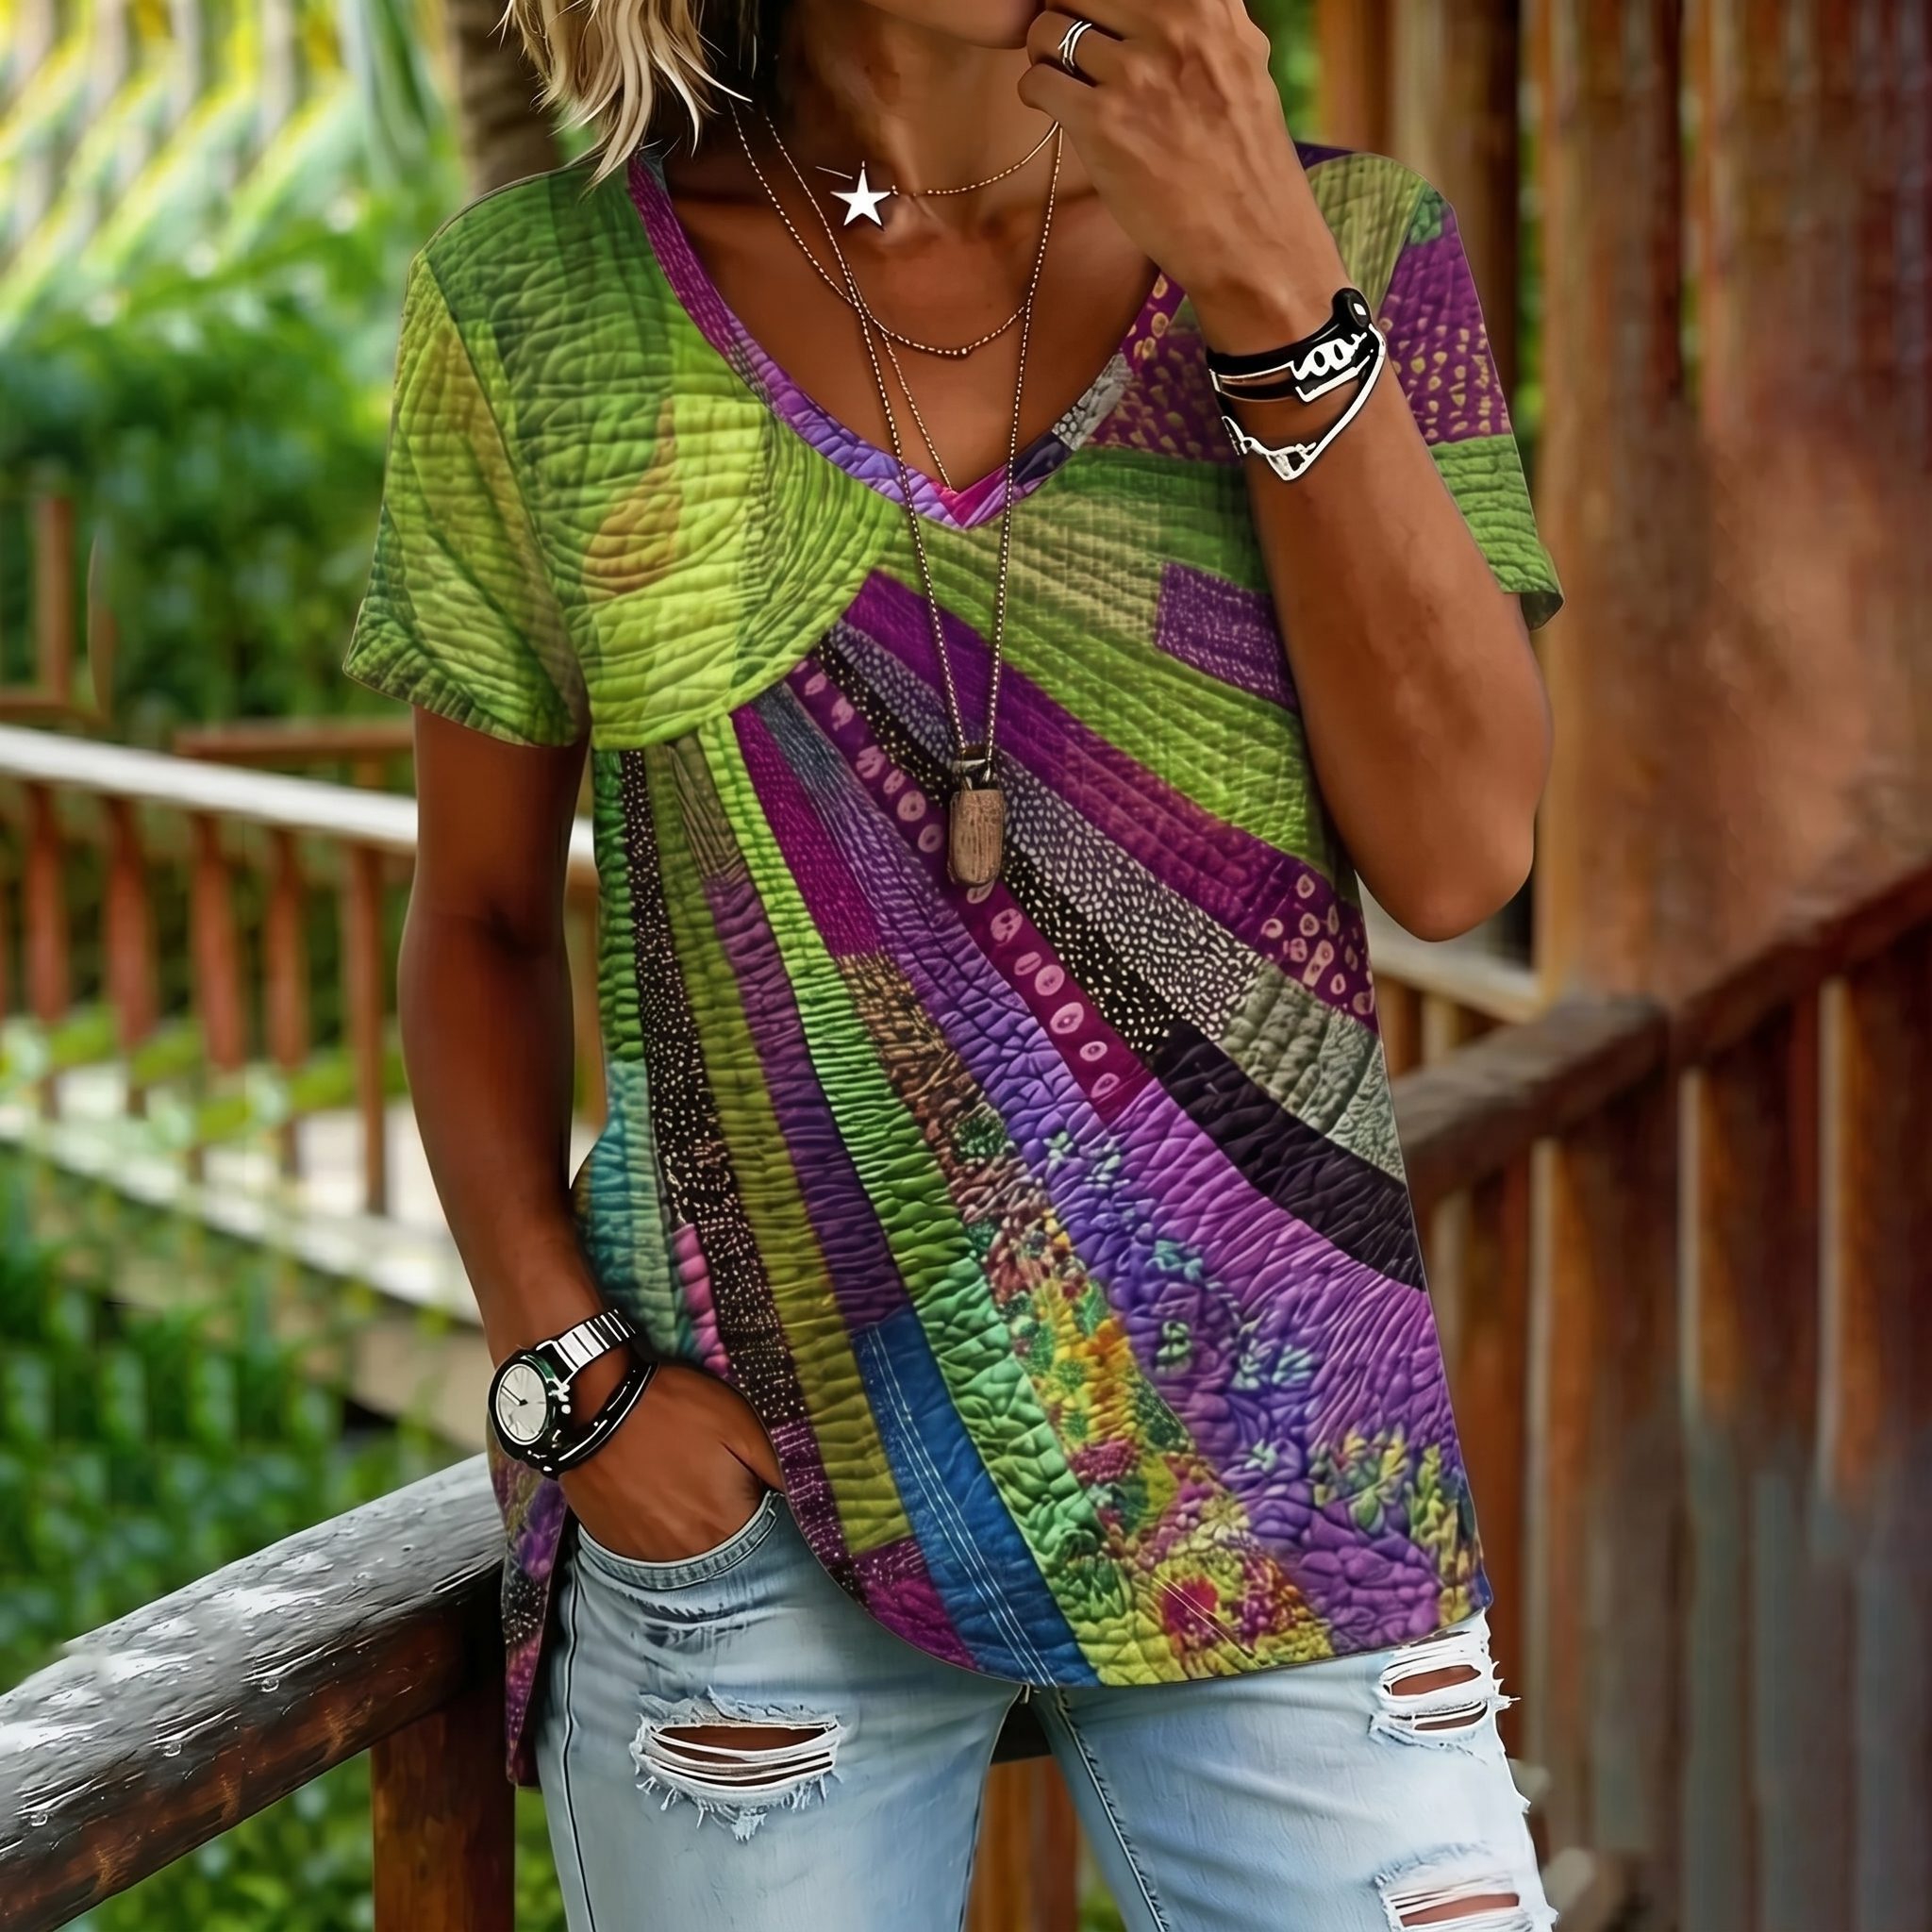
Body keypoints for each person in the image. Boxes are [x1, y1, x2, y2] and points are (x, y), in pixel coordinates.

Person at [346, 0, 1563, 1924]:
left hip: (1282, 1479)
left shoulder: (1353, 244)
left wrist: (1266, 282)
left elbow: (1459, 849)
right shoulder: (543, 305)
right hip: (759, 1520)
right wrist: (568, 1380)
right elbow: (479, 915)